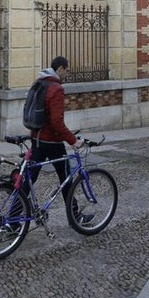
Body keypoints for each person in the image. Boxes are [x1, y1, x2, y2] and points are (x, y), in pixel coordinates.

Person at [27, 56, 92, 223]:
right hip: (52, 142)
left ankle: (12, 219)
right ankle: (75, 217)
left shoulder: (39, 82)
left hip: (36, 138)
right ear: (60, 69)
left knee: (29, 178)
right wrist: (73, 141)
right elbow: (56, 122)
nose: (67, 73)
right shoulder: (56, 88)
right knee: (66, 179)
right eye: (67, 69)